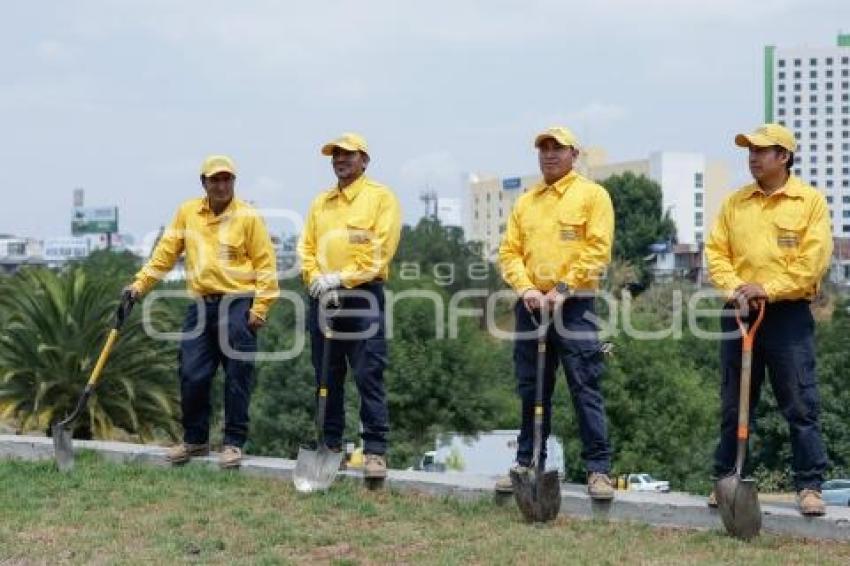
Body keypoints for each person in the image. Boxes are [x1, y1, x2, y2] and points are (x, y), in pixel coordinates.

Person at [705, 123, 832, 516]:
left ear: (784, 157)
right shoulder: (735, 203)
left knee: (798, 401)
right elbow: (716, 252)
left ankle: (809, 485)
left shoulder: (809, 202)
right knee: (735, 402)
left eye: (762, 151)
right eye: (750, 150)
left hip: (787, 315)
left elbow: (813, 263)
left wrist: (768, 288)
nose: (753, 157)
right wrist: (736, 288)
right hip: (740, 312)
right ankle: (727, 478)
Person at [126, 155, 279, 468]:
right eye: (215, 180)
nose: (222, 185)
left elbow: (265, 264)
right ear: (204, 183)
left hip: (239, 304)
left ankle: (233, 443)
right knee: (192, 374)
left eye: (227, 179)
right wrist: (139, 286)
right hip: (201, 305)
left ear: (234, 182)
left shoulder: (248, 216)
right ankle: (195, 440)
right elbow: (165, 255)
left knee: (238, 376)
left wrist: (261, 307)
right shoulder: (188, 213)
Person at [496, 126, 616, 500]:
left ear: (573, 154)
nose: (549, 154)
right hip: (531, 307)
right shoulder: (526, 201)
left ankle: (598, 471)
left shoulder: (592, 196)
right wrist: (528, 289)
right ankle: (528, 462)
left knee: (585, 387)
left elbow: (597, 249)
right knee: (533, 390)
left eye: (557, 148)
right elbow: (509, 253)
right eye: (544, 148)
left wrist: (563, 289)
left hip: (575, 307)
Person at [297, 133, 401, 481]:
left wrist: (342, 278)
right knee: (327, 376)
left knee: (368, 373)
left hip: (362, 296)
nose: (341, 160)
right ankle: (329, 448)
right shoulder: (320, 203)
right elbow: (307, 248)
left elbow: (380, 251)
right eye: (336, 156)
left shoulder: (380, 198)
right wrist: (314, 277)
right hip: (323, 298)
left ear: (364, 160)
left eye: (348, 155)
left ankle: (375, 451)